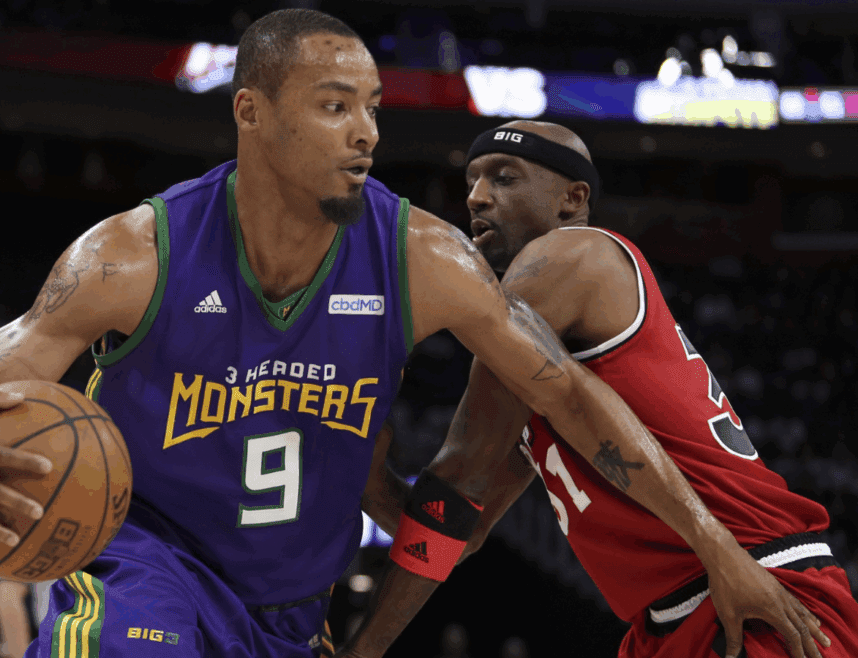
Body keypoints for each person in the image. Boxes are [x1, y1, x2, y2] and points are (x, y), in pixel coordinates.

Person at [0, 11, 829, 658]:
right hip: (150, 566)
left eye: (373, 106)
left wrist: (715, 545)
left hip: (300, 611)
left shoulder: (435, 259)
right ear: (250, 112)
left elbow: (554, 414)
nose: (368, 131)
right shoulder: (133, 254)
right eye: (337, 106)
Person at [342, 121, 858, 658]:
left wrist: (362, 650)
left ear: (572, 199)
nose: (476, 196)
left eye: (504, 177)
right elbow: (459, 530)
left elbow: (461, 473)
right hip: (676, 609)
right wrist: (375, 482)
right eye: (471, 180)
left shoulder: (566, 257)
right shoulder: (529, 349)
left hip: (753, 583)